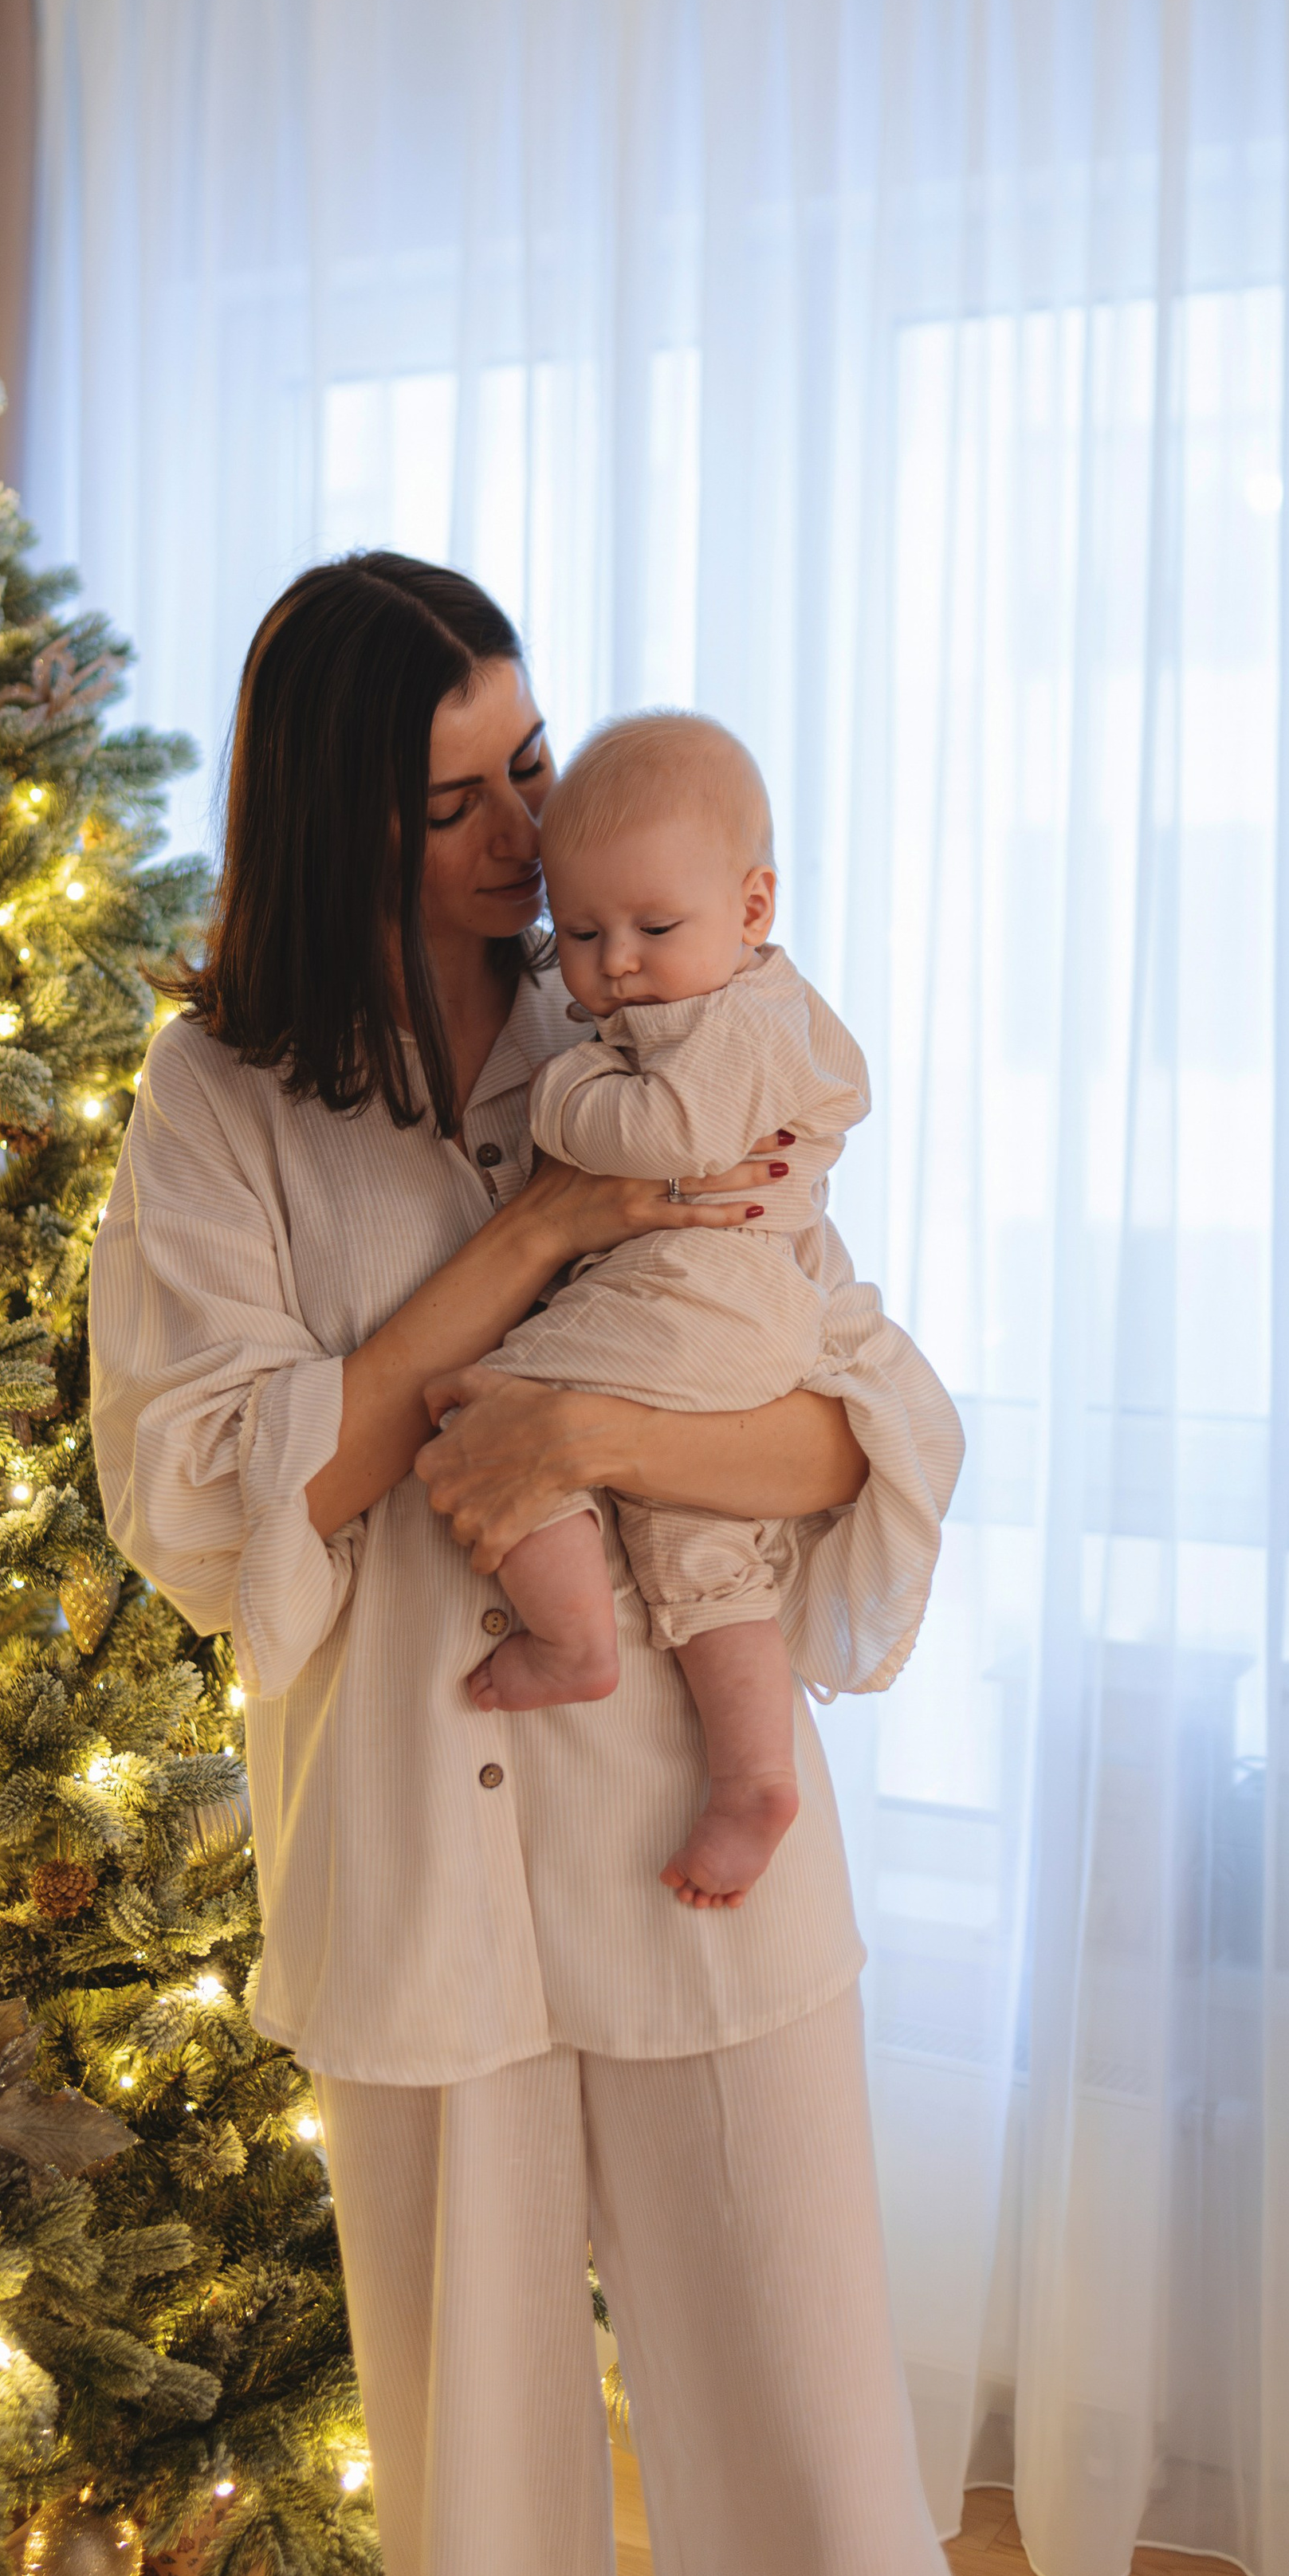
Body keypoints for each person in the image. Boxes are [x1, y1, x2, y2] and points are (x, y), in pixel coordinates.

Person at [89, 554, 962, 2576]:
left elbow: (855, 1422)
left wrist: (585, 1437)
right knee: (474, 2507)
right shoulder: (216, 1105)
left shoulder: (665, 1003)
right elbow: (214, 1499)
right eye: (450, 800)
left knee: (814, 2468)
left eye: (531, 766)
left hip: (693, 1830)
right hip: (416, 1867)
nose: (520, 835)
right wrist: (545, 1228)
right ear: (333, 822)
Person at [460, 707, 873, 1916]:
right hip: (731, 1311)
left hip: (708, 1297)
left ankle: (575, 1641)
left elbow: (665, 1135)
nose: (614, 965)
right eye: (580, 931)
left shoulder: (730, 1023)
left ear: (753, 910)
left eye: (652, 927)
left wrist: (564, 1092)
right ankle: (753, 1774)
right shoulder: (731, 1002)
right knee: (698, 1544)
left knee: (492, 1412)